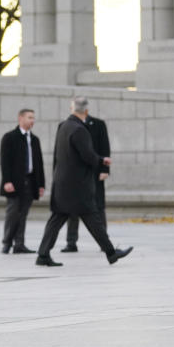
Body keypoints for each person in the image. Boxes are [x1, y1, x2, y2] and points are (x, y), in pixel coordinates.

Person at [35, 97, 133, 267]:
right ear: (86, 112)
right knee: (93, 219)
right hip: (78, 186)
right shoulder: (80, 130)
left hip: (63, 184)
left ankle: (43, 255)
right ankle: (111, 253)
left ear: (72, 109)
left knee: (57, 219)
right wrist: (103, 161)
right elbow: (88, 156)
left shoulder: (64, 126)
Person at [62, 106, 110, 252]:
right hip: (74, 176)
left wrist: (104, 169)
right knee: (71, 211)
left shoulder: (98, 124)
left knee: (98, 207)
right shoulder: (65, 126)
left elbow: (104, 147)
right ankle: (71, 242)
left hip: (95, 173)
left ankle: (104, 242)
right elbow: (61, 153)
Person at [0, 108, 45, 254]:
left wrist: (41, 184)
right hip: (14, 182)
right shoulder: (9, 137)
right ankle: (7, 243)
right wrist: (7, 181)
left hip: (30, 182)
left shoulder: (35, 140)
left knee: (23, 214)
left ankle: (19, 244)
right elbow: (4, 162)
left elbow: (39, 163)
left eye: (33, 118)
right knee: (13, 214)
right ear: (20, 118)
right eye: (29, 117)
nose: (32, 120)